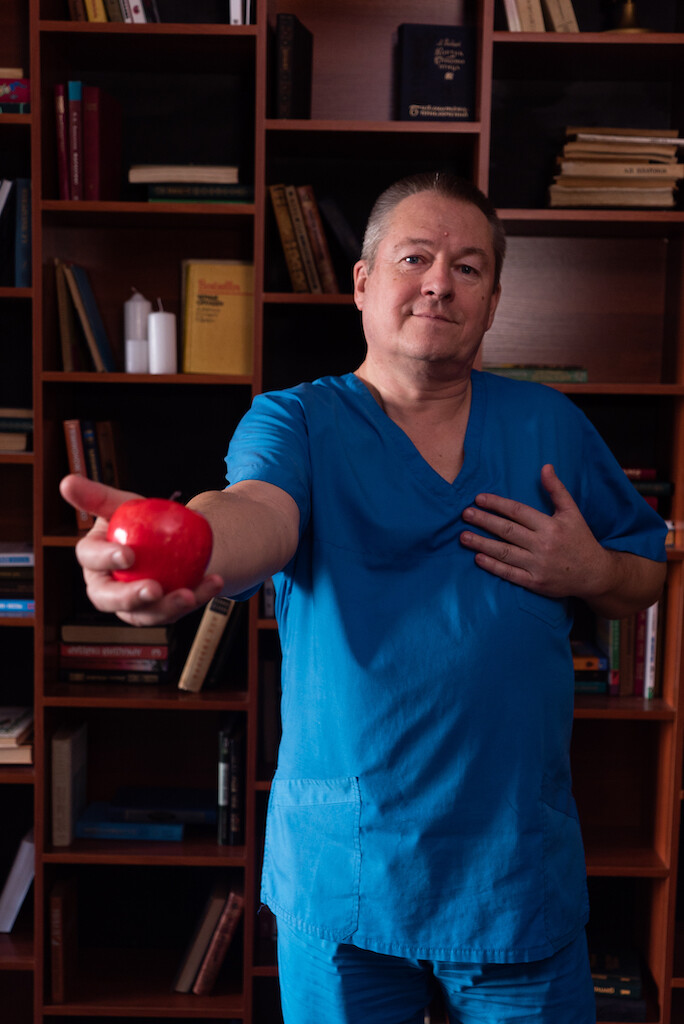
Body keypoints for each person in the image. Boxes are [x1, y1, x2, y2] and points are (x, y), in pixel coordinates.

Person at [60, 172, 666, 1024]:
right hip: (347, 873)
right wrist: (187, 546)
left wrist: (591, 570)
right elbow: (255, 512)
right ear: (363, 281)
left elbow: (646, 573)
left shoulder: (550, 425)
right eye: (414, 258)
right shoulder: (295, 422)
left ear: (493, 302)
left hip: (511, 875)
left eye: (468, 268)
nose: (439, 283)